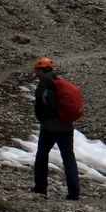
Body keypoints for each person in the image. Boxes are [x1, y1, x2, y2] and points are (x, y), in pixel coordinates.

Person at [32, 57, 80, 200]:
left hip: (50, 127)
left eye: (38, 70)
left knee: (42, 155)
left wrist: (43, 120)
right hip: (67, 126)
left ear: (43, 71)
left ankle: (40, 189)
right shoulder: (60, 83)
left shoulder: (44, 84)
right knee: (68, 157)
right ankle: (74, 192)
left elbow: (40, 105)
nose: (36, 73)